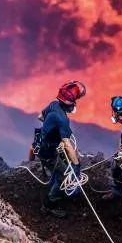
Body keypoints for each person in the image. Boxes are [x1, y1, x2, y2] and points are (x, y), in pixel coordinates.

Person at [34, 81, 86, 218]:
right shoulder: (63, 119)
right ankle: (49, 205)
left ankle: (53, 183)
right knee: (65, 176)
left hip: (41, 144)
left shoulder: (53, 104)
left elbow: (40, 116)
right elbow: (68, 144)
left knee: (60, 167)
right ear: (71, 103)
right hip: (48, 153)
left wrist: (51, 131)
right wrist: (76, 164)